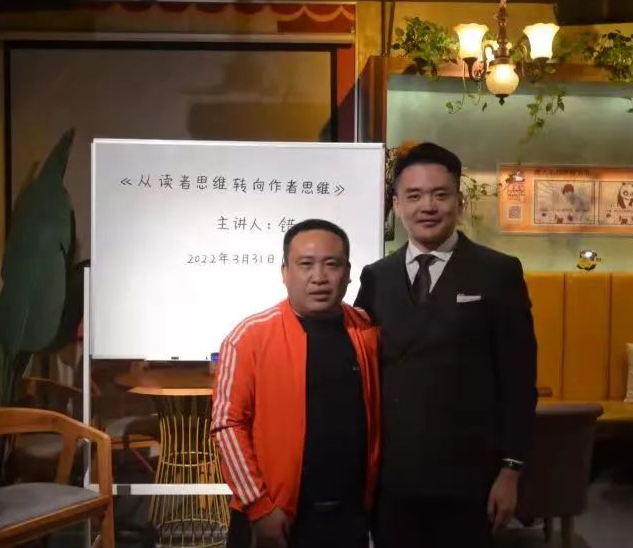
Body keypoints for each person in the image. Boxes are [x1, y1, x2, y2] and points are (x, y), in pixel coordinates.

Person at [355, 142, 537, 548]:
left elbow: (519, 381)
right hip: (392, 477)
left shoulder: (498, 273)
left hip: (469, 477)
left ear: (459, 200)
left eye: (440, 194)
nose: (428, 206)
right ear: (397, 205)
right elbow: (362, 373)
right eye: (414, 196)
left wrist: (511, 470)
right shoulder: (376, 276)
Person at [211, 219, 381, 548]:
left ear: (348, 273)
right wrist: (259, 506)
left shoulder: (364, 330)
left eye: (331, 264)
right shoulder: (249, 336)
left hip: (349, 516)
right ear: (285, 272)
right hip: (275, 517)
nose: (319, 277)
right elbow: (227, 425)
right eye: (306, 264)